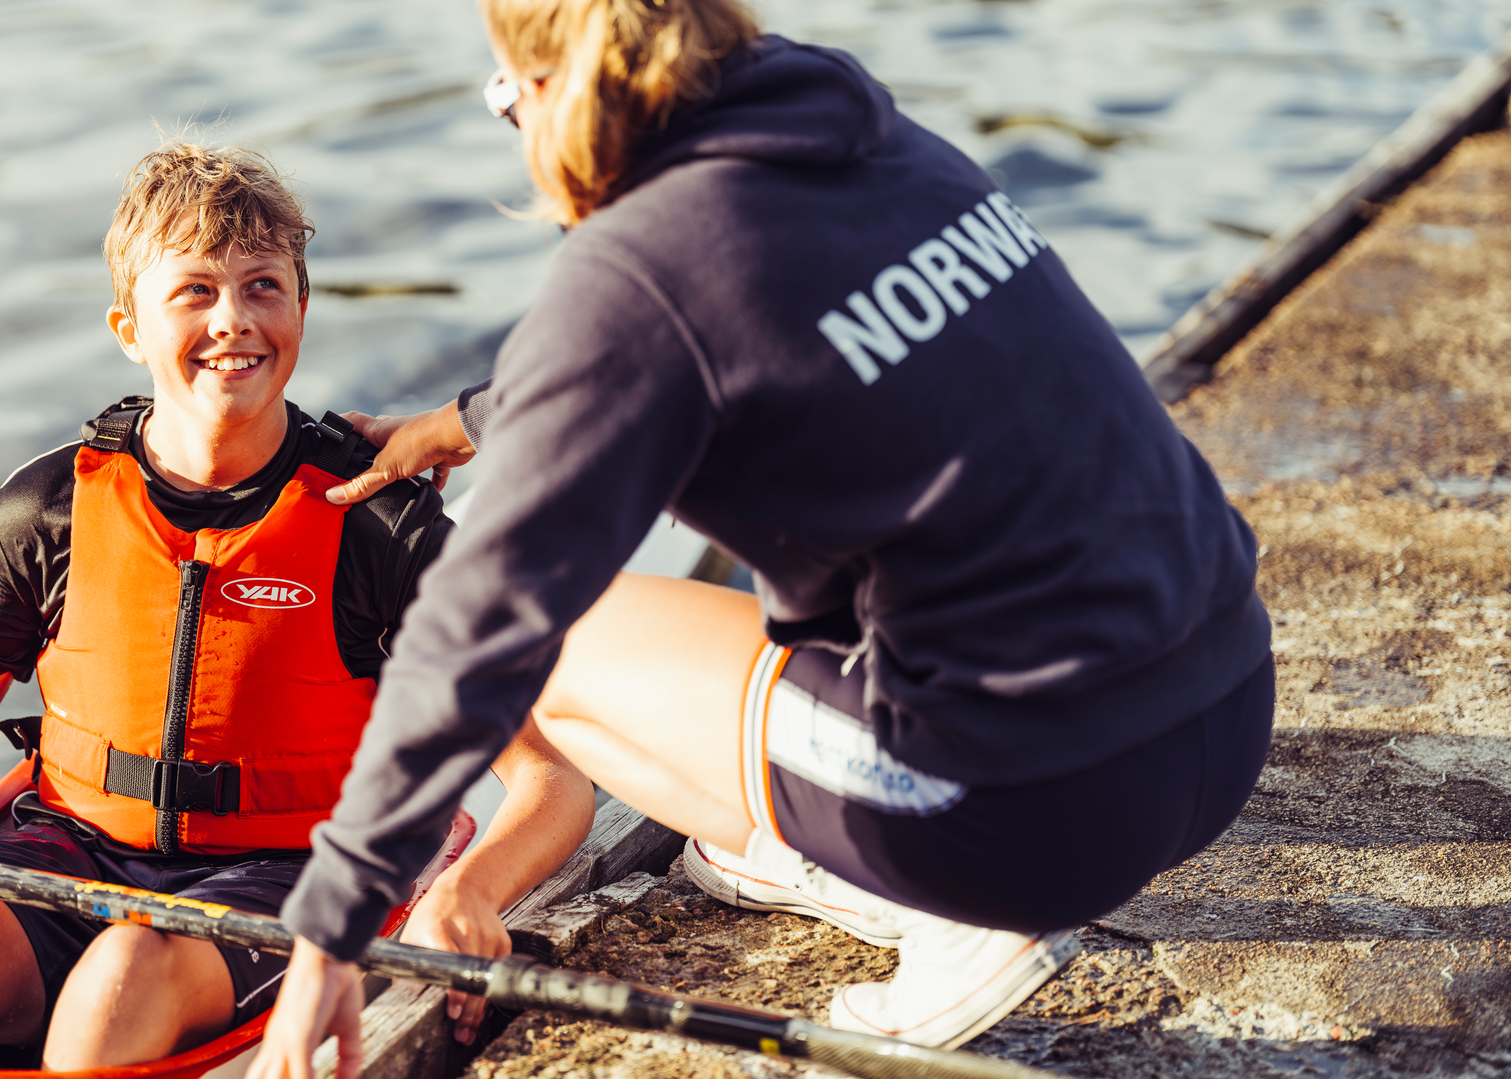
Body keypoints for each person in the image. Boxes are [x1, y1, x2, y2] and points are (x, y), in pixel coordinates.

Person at [249, 1, 1275, 1073]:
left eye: (505, 101)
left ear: (547, 91)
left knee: (549, 649)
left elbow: (477, 625)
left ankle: (953, 914)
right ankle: (841, 852)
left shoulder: (636, 270)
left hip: (1038, 811)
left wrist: (332, 921)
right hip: (1226, 701)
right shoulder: (873, 143)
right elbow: (698, 336)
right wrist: (466, 420)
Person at [0, 143, 594, 1070]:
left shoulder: (376, 525)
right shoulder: (47, 509)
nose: (234, 320)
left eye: (263, 286)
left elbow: (550, 779)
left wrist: (473, 893)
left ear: (301, 307)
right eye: (194, 291)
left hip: (288, 871)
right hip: (69, 847)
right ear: (128, 324)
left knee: (123, 976)